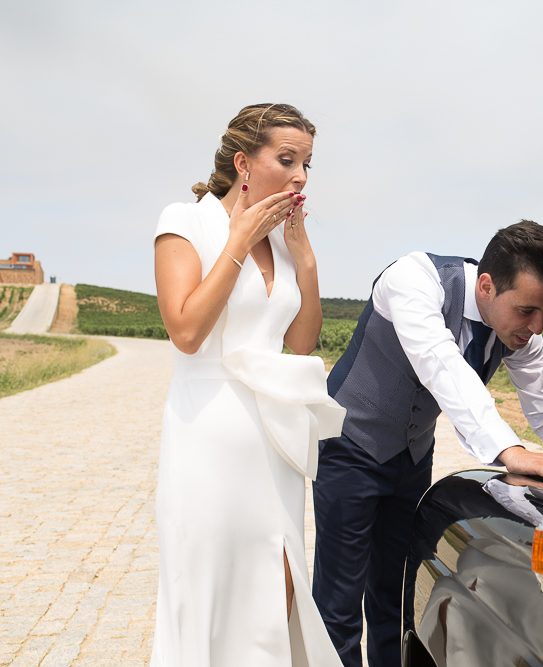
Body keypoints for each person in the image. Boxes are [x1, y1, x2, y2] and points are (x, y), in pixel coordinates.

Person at [312, 221, 543, 667]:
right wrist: (510, 451)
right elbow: (441, 364)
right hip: (351, 446)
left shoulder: (521, 330)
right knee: (339, 603)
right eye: (526, 311)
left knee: (393, 592)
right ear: (485, 285)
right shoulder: (414, 279)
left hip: (413, 456)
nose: (537, 327)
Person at [152, 103, 346, 666]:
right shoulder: (184, 223)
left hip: (275, 438)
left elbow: (302, 342)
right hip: (207, 431)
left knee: (282, 581)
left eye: (308, 164)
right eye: (288, 160)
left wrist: (304, 259)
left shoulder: (285, 244)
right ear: (243, 162)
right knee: (211, 588)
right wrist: (237, 242)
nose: (300, 177)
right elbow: (186, 332)